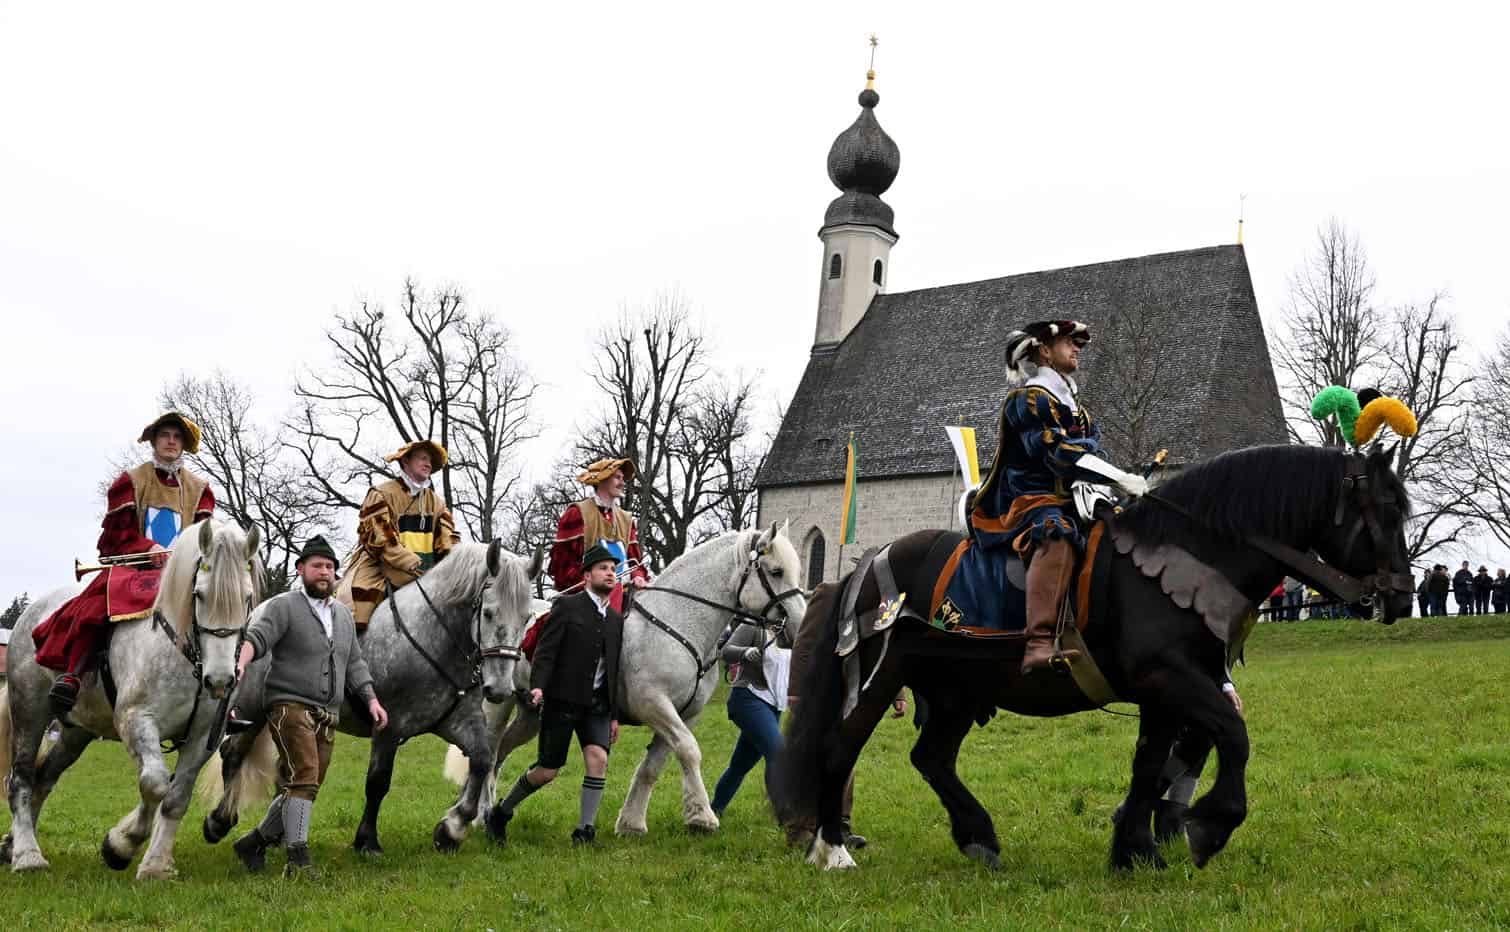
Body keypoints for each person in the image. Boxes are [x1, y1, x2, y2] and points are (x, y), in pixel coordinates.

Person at [971, 320, 1148, 673]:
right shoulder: (1028, 399)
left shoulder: (1077, 408)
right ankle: (1038, 641)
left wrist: (1113, 485)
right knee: (1058, 535)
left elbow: (1086, 450)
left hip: (1071, 496)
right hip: (1029, 500)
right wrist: (1119, 477)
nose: (1077, 348)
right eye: (1069, 342)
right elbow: (1061, 455)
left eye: (1078, 343)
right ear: (1045, 351)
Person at [32, 412, 215, 714]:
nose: (171, 441)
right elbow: (119, 534)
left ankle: (223, 692)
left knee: (219, 606)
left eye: (177, 436)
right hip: (135, 566)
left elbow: (204, 536)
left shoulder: (200, 489)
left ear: (184, 444)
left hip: (181, 573)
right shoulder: (130, 481)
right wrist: (149, 547)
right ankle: (73, 675)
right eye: (165, 435)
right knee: (98, 602)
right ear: (154, 440)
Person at [232, 536, 389, 877]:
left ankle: (254, 841)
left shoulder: (344, 617)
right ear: (301, 569)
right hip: (289, 704)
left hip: (327, 713)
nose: (324, 572)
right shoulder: (284, 606)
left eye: (330, 567)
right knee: (303, 776)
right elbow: (256, 639)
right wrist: (241, 663)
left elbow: (355, 664)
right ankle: (297, 860)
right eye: (317, 566)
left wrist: (372, 700)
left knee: (306, 786)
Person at [487, 543, 624, 847]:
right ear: (586, 575)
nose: (610, 574)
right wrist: (538, 686)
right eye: (603, 569)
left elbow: (612, 671)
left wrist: (614, 715)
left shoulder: (616, 621)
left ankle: (585, 830)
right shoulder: (566, 607)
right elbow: (546, 652)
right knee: (547, 772)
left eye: (613, 569)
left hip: (597, 705)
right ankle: (501, 812)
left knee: (598, 759)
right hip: (562, 701)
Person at [337, 440, 461, 629]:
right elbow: (383, 537)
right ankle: (344, 653)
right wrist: (409, 561)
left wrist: (452, 564)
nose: (428, 463)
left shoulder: (437, 503)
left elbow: (447, 540)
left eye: (430, 460)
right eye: (422, 458)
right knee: (355, 607)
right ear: (405, 461)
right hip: (379, 567)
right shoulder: (381, 493)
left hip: (425, 571)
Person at [710, 618, 794, 819]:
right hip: (748, 699)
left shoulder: (789, 631)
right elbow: (725, 651)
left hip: (774, 706)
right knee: (777, 753)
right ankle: (787, 817)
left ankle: (713, 810)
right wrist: (744, 653)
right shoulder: (753, 625)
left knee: (740, 765)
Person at [549, 458, 650, 609]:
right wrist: (595, 584)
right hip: (586, 597)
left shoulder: (626, 519)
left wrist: (638, 576)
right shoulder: (577, 514)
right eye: (617, 477)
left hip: (625, 592)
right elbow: (564, 567)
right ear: (602, 480)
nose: (623, 483)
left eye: (623, 479)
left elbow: (634, 560)